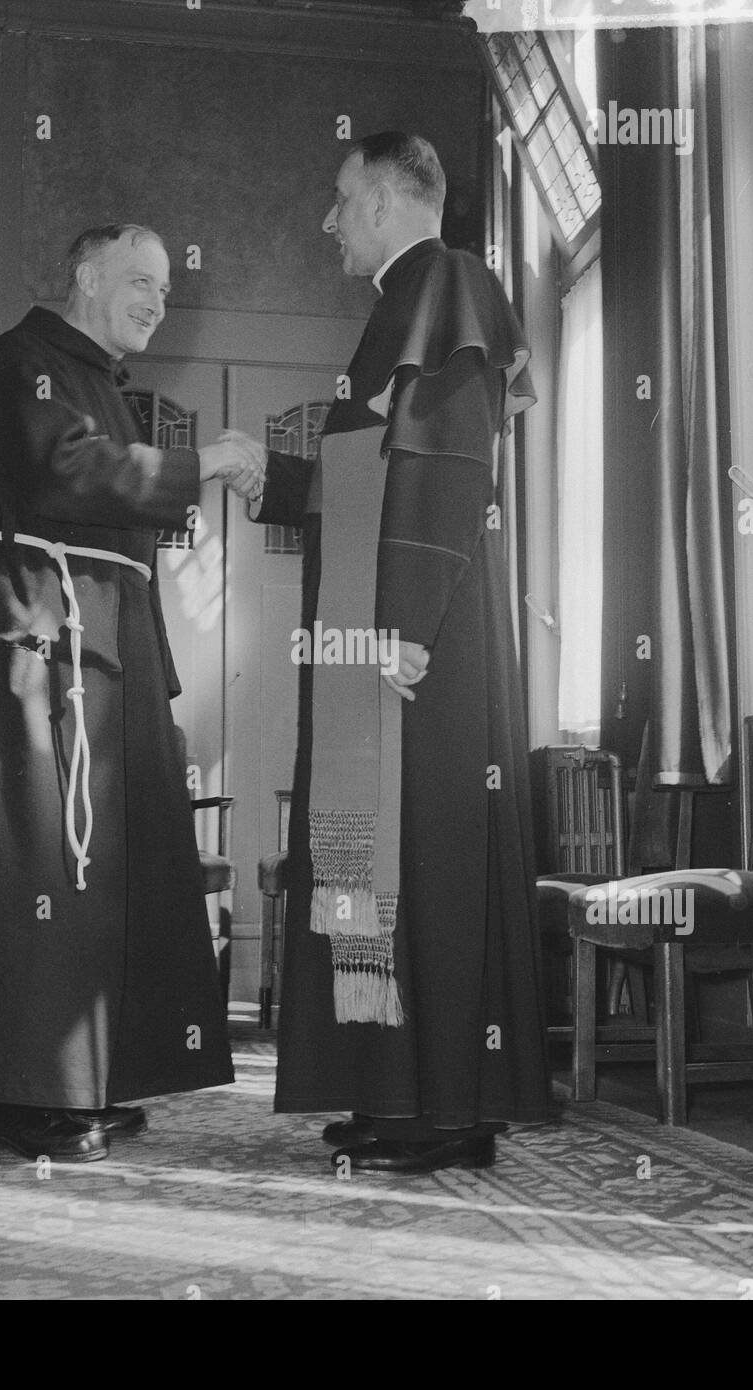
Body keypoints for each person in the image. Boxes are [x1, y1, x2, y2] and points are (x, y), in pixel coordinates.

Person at [234, 133, 549, 1174]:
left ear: (384, 196)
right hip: (385, 632)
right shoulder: (401, 302)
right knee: (379, 859)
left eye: (340, 199)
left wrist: (404, 626)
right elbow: (362, 479)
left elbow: (450, 465)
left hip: (426, 637)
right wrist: (269, 481)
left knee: (430, 857)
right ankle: (391, 1089)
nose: (330, 220)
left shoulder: (450, 280)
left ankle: (446, 1109)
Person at [0, 223, 258, 1162]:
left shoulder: (102, 380)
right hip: (36, 639)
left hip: (101, 648)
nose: (156, 301)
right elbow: (67, 473)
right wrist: (207, 463)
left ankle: (87, 1078)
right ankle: (32, 1098)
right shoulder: (22, 361)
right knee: (42, 870)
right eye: (142, 280)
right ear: (88, 274)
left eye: (167, 291)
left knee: (97, 878)